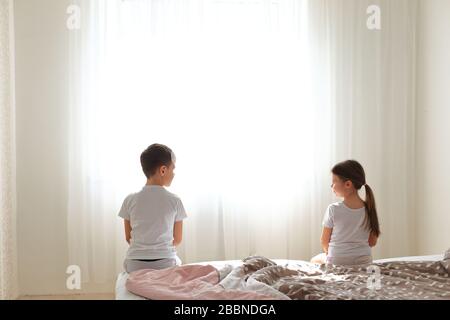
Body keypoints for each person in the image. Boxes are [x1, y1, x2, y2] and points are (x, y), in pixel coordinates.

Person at [118, 144, 187, 273]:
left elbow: (128, 238)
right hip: (166, 264)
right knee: (178, 264)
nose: (174, 174)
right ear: (163, 170)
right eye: (173, 169)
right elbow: (177, 239)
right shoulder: (175, 200)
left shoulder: (130, 200)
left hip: (135, 265)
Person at [310, 160, 381, 266]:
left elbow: (324, 241)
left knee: (314, 260)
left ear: (348, 184)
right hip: (364, 261)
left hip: (337, 261)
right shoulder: (369, 209)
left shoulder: (333, 209)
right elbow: (372, 242)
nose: (332, 186)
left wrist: (332, 255)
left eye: (334, 182)